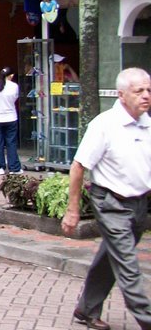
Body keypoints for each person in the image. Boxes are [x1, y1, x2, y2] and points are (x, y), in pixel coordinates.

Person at [62, 68, 151, 330]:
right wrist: (72, 210)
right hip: (111, 203)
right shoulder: (104, 125)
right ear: (122, 95)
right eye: (139, 91)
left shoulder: (147, 124)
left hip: (138, 204)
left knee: (110, 258)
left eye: (148, 90)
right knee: (127, 265)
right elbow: (78, 166)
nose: (146, 96)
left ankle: (86, 308)